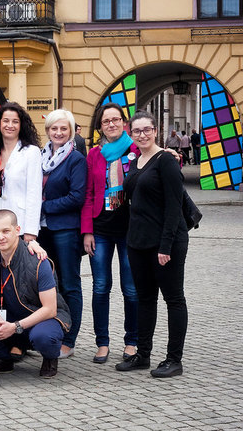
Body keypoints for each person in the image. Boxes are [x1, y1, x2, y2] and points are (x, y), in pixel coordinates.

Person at [116, 112, 189, 378]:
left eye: (147, 129)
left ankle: (174, 360)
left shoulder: (166, 160)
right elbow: (130, 200)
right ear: (131, 134)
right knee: (145, 299)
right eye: (137, 131)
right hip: (138, 242)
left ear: (156, 131)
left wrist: (165, 247)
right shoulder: (135, 161)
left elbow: (174, 206)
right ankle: (143, 354)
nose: (142, 135)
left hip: (165, 242)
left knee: (173, 298)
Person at [0, 210, 71, 378]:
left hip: (39, 318)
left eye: (6, 231)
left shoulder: (38, 260)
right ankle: (3, 357)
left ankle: (50, 357)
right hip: (10, 314)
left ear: (17, 230)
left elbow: (50, 309)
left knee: (43, 337)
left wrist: (15, 327)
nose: (1, 237)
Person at [81, 102, 138, 364]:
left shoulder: (136, 148)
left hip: (131, 230)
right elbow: (89, 194)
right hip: (100, 229)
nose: (111, 124)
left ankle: (132, 341)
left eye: (116, 120)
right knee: (101, 287)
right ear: (100, 126)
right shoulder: (95, 154)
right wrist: (87, 231)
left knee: (131, 289)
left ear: (124, 123)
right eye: (106, 121)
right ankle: (102, 343)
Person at [38, 109, 87, 359]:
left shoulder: (75, 159)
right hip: (42, 230)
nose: (58, 133)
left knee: (69, 285)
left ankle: (69, 339)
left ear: (71, 131)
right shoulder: (41, 157)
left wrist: (43, 206)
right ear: (48, 131)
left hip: (66, 230)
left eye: (63, 128)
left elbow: (77, 197)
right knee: (48, 285)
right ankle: (51, 334)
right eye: (54, 128)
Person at [0, 102, 42, 242]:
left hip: (20, 223)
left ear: (21, 125)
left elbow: (34, 193)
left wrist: (31, 231)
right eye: (6, 121)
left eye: (15, 121)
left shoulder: (31, 152)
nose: (10, 125)